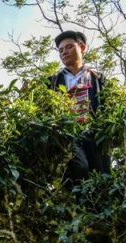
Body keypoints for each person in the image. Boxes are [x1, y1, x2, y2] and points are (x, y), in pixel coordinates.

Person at [49, 30, 111, 180]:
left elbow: (108, 105)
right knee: (79, 168)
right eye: (61, 50)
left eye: (69, 47)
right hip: (68, 135)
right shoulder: (53, 81)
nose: (64, 52)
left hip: (94, 134)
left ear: (82, 48)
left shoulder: (97, 77)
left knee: (102, 176)